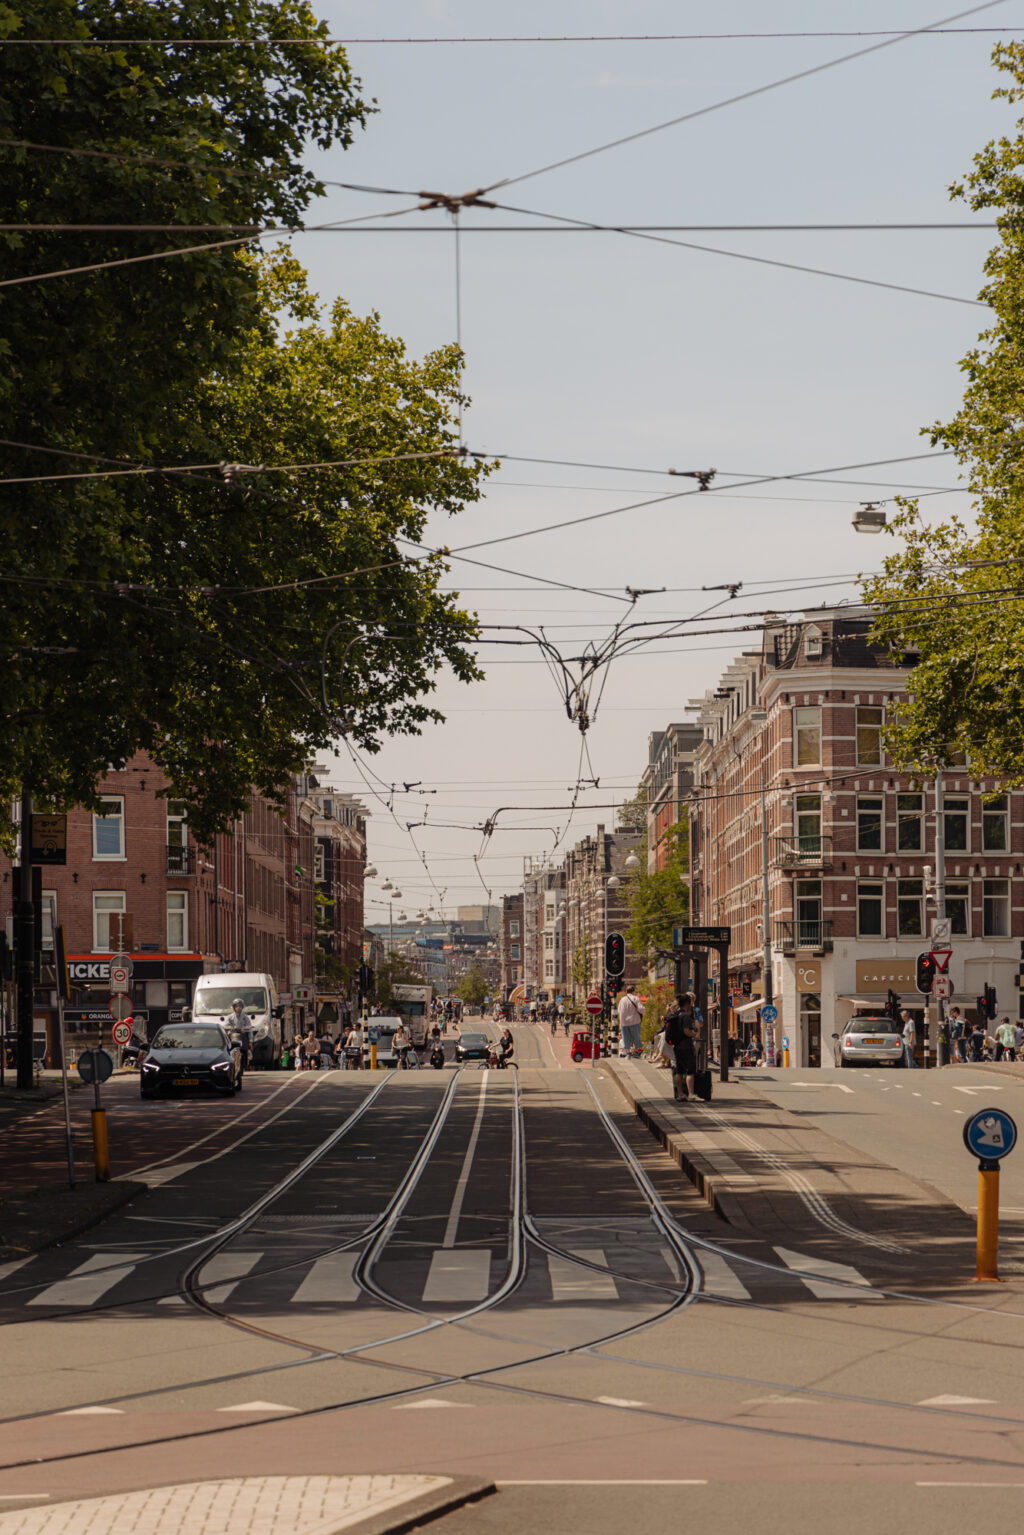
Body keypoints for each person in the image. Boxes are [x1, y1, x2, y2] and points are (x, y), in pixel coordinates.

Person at [663, 997, 697, 1102]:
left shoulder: (674, 1016)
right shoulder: (685, 1016)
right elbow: (687, 1031)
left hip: (677, 1046)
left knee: (679, 1071)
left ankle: (680, 1093)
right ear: (687, 1004)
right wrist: (694, 1034)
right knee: (690, 1071)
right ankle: (691, 1094)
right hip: (686, 1045)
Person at [617, 986, 644, 1058]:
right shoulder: (636, 998)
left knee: (626, 1038)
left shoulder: (622, 1000)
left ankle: (628, 1053)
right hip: (634, 1021)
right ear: (633, 991)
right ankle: (638, 1052)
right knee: (636, 1037)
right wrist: (644, 1011)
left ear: (626, 991)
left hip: (624, 1022)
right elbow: (641, 1009)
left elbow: (619, 1010)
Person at [229, 997, 254, 1070]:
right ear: (234, 1007)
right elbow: (226, 1025)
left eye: (240, 1006)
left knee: (244, 1049)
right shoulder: (230, 1017)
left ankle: (244, 1064)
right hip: (234, 1036)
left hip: (243, 1036)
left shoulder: (245, 1017)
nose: (238, 1008)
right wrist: (229, 1028)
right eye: (237, 1006)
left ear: (242, 1007)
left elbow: (249, 1029)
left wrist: (251, 1041)